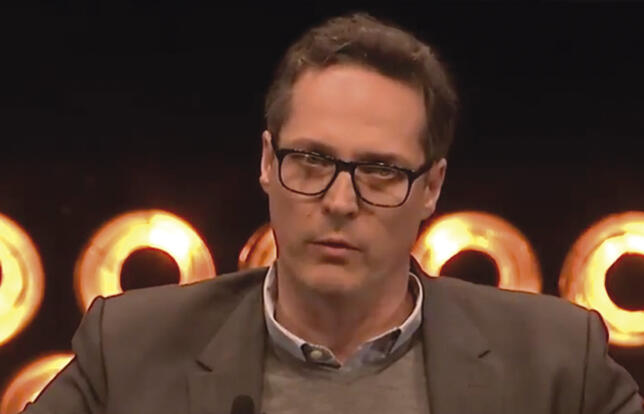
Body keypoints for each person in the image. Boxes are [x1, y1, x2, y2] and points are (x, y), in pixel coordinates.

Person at [22, 12, 642, 414]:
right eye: (312, 161)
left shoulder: (558, 364)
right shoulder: (129, 351)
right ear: (268, 162)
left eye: (381, 171)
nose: (340, 203)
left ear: (432, 188)